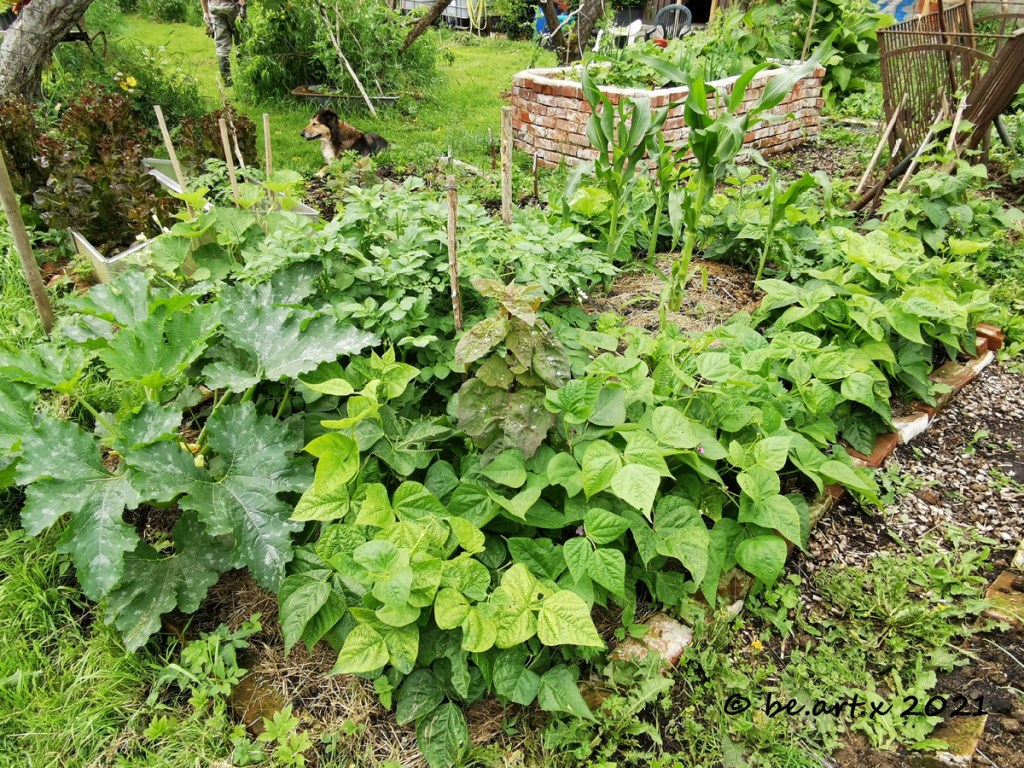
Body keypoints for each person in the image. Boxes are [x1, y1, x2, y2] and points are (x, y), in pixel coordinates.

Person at [199, 0, 246, 86]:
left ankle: (227, 82)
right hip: (232, 6)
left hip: (214, 7)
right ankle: (245, 78)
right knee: (241, 42)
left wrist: (205, 12)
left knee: (221, 46)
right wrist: (243, 6)